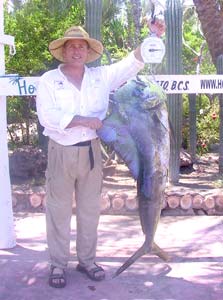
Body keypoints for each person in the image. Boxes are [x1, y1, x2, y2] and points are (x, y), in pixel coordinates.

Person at [36, 25, 145, 288]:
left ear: (88, 51)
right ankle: (57, 264)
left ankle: (86, 261)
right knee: (58, 210)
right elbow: (47, 117)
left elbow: (131, 63)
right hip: (61, 152)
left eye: (81, 46)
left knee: (90, 210)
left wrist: (153, 37)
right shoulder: (49, 80)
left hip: (92, 152)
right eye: (71, 45)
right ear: (63, 50)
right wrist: (84, 120)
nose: (76, 50)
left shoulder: (101, 76)